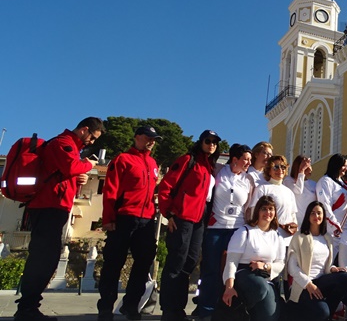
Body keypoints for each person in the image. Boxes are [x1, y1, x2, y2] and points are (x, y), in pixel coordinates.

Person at [15, 117, 103, 321]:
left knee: (47, 257)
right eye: (93, 137)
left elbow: (67, 171)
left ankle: (29, 306)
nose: (92, 142)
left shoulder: (69, 146)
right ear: (84, 130)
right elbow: (71, 167)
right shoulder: (63, 143)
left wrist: (79, 176)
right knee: (43, 258)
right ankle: (27, 309)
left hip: (55, 205)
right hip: (49, 205)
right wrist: (86, 164)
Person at [97, 126, 161, 321]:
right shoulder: (122, 159)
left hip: (146, 219)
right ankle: (106, 306)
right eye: (148, 137)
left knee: (143, 263)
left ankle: (131, 305)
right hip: (124, 217)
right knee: (114, 263)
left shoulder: (152, 163)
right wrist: (108, 219)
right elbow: (110, 191)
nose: (151, 141)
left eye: (154, 139)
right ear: (137, 137)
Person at [157, 129, 221, 321]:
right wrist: (168, 213)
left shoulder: (210, 167)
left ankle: (179, 308)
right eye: (208, 141)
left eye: (215, 142)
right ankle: (169, 310)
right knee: (176, 262)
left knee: (190, 262)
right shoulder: (187, 160)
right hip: (182, 218)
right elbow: (166, 186)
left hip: (199, 221)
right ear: (200, 142)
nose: (211, 144)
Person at [193, 144, 253, 321]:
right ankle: (206, 309)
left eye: (250, 159)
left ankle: (229, 310)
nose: (249, 162)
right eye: (246, 159)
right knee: (210, 270)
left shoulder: (248, 180)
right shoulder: (218, 170)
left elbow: (248, 207)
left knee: (232, 271)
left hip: (237, 229)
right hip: (216, 228)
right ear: (234, 159)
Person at [285, 201, 347, 321]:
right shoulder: (299, 237)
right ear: (308, 215)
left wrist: (332, 268)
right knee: (322, 312)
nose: (316, 216)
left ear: (323, 216)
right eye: (312, 213)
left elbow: (325, 265)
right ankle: (324, 314)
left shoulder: (327, 238)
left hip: (322, 282)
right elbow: (292, 267)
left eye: (319, 213)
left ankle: (327, 312)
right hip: (304, 285)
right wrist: (308, 284)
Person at [221, 196, 285, 321]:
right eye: (264, 209)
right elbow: (231, 262)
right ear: (257, 212)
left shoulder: (277, 236)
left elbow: (280, 263)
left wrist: (266, 266)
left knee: (270, 316)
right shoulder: (244, 232)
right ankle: (237, 311)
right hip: (244, 274)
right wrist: (229, 287)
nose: (268, 213)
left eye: (271, 209)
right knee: (260, 287)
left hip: (266, 277)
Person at [249, 155, 298, 245]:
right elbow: (254, 214)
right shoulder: (262, 189)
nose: (280, 170)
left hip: (288, 241)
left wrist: (294, 227)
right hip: (268, 239)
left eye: (283, 167)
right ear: (269, 170)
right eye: (276, 167)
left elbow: (293, 215)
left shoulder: (289, 192)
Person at [315, 154, 347, 236]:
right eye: (344, 166)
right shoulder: (325, 181)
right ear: (336, 165)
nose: (346, 169)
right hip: (334, 231)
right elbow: (325, 205)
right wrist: (335, 224)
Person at [284, 155, 316, 220]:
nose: (308, 166)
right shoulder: (288, 180)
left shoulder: (314, 184)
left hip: (309, 222)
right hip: (295, 222)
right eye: (305, 164)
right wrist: (301, 171)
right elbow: (298, 191)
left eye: (308, 164)